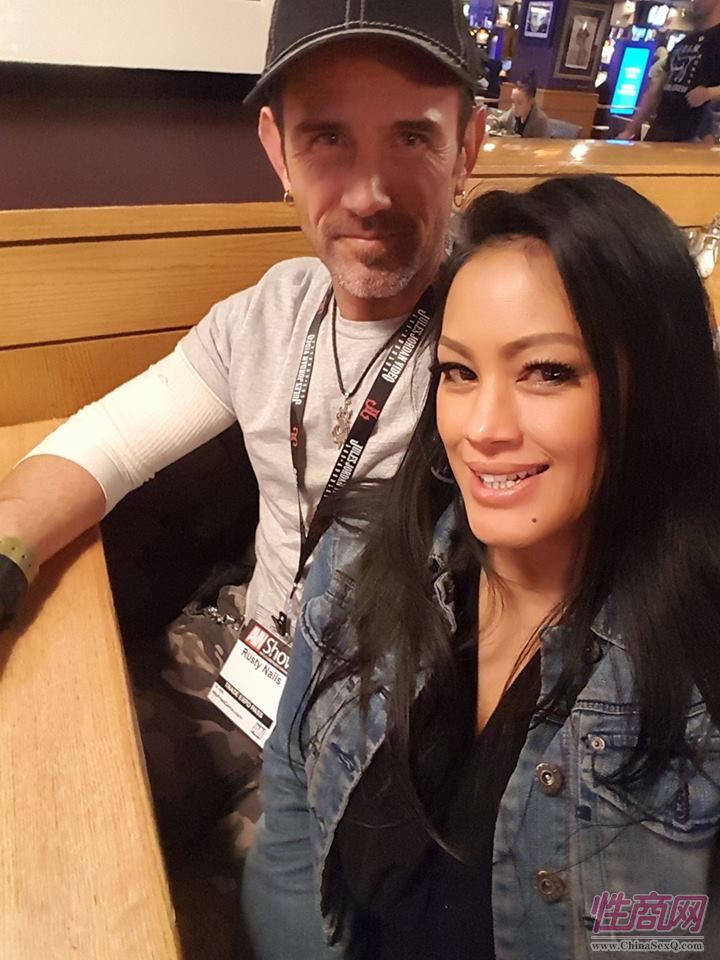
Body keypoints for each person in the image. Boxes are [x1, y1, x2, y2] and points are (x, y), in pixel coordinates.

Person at [0, 0, 484, 873]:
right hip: (243, 645)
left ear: (468, 147)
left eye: (413, 136)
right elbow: (108, 442)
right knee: (50, 796)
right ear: (276, 150)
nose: (368, 195)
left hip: (382, 718)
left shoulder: (503, 339)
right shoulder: (270, 312)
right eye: (328, 138)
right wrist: (7, 550)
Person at [243, 174, 720, 959]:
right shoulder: (358, 563)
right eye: (459, 372)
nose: (481, 429)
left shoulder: (695, 667)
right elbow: (292, 815)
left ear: (654, 391)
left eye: (547, 371)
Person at [622, 0, 720, 141]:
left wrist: (709, 93)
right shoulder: (684, 43)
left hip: (691, 136)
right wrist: (629, 131)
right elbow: (655, 90)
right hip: (660, 131)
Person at [492, 70, 550, 137]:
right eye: (513, 101)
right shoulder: (513, 112)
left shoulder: (540, 122)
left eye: (519, 103)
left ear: (531, 101)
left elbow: (541, 143)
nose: (514, 106)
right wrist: (493, 122)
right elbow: (499, 123)